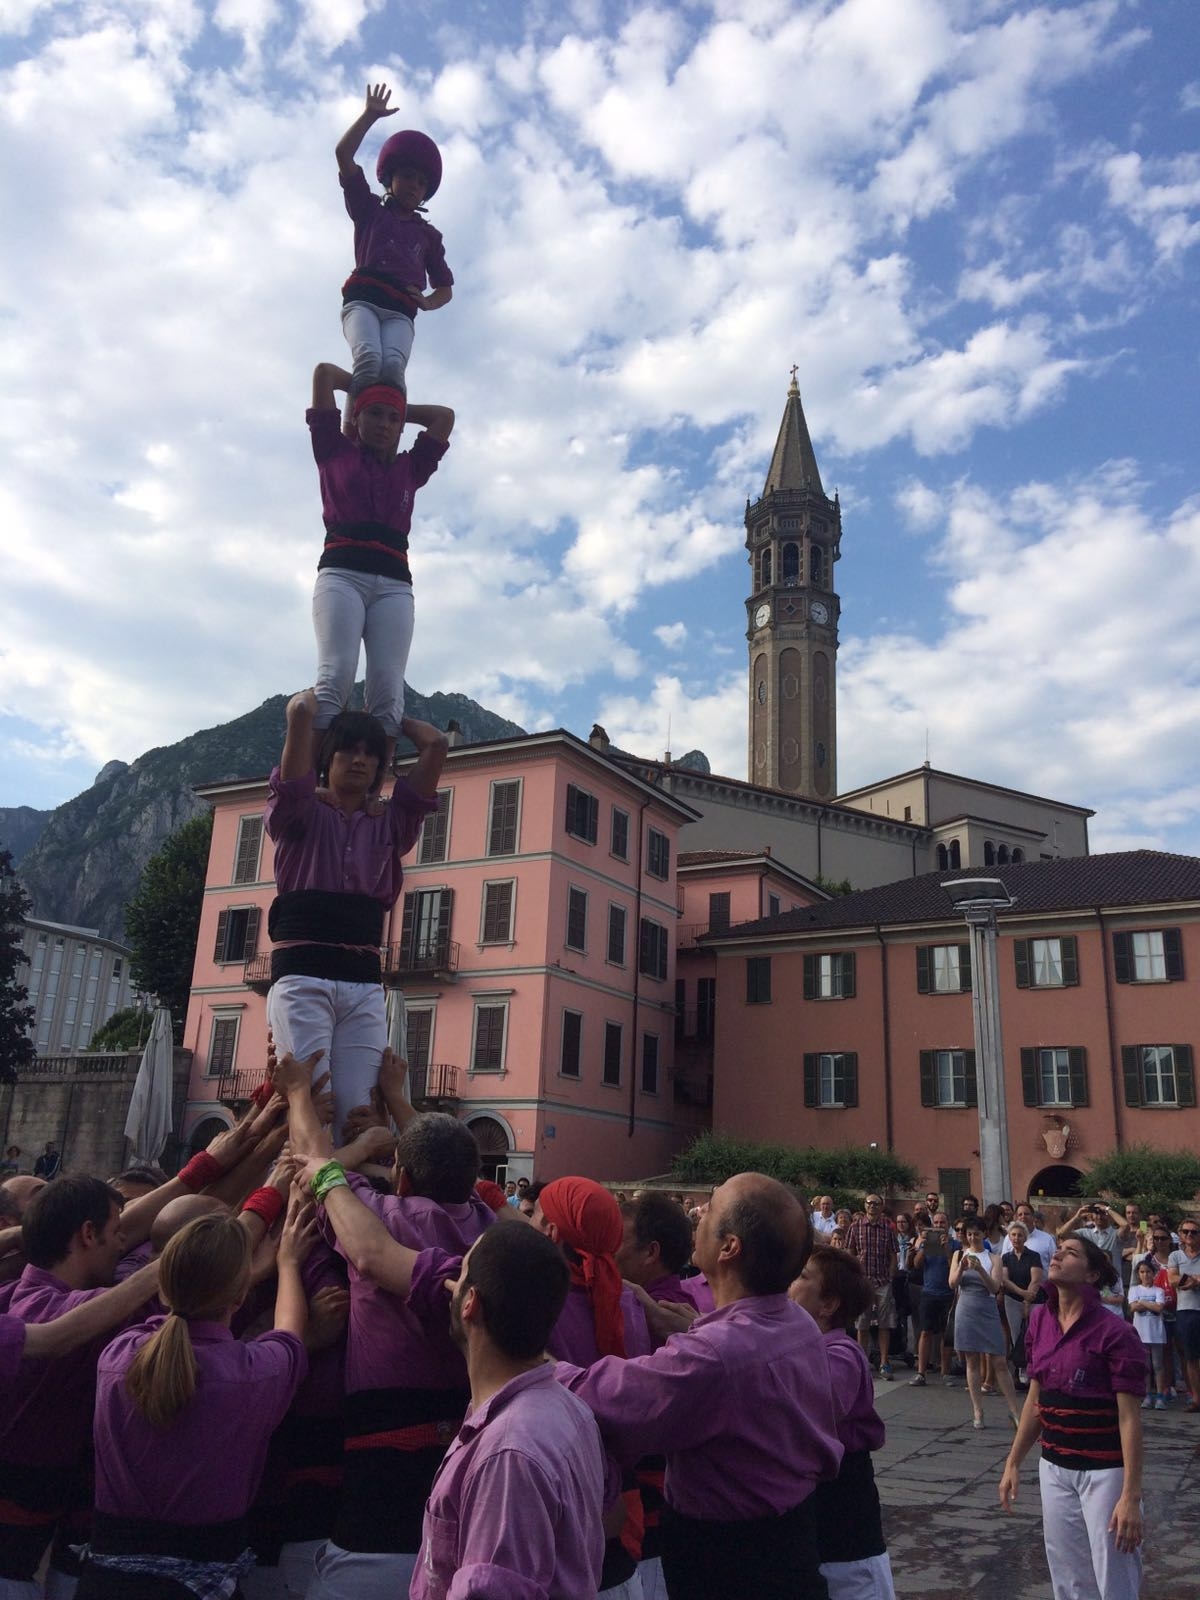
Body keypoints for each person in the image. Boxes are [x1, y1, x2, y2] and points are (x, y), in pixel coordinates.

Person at [559, 1175, 843, 1600]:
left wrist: (534, 1364)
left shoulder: (715, 1356)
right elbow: (741, 1357)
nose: (699, 1215)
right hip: (790, 1545)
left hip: (732, 1569)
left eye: (709, 1208)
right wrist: (693, 1328)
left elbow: (607, 1397)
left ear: (729, 1247)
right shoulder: (795, 1322)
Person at [276, 1052, 496, 1600]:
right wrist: (396, 1106)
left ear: (400, 1175)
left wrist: (300, 1092)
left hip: (376, 1507)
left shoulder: (380, 1217)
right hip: (467, 1494)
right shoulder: (495, 1234)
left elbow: (311, 1164)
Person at [76, 1205, 312, 1600]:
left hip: (105, 1583)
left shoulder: (115, 1357)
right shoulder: (256, 1372)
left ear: (163, 1286)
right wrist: (288, 1262)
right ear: (240, 1294)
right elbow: (290, 1330)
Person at [264, 690, 445, 1139]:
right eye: (348, 749)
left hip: (364, 981)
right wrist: (317, 707)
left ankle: (347, 1198)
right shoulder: (299, 811)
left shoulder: (390, 823)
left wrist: (388, 720)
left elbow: (436, 746)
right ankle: (293, 1200)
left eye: (370, 753)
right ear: (328, 757)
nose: (360, 760)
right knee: (309, 1103)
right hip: (304, 974)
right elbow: (301, 715)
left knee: (356, 1113)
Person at [411, 1223, 606, 1599]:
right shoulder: (569, 1411)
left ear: (471, 1303)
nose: (452, 1284)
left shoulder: (508, 1453)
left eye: (462, 1274)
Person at [304, 358, 454, 771]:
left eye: (393, 418)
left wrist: (396, 401)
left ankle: (374, 786)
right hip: (342, 574)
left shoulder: (410, 467)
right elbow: (324, 375)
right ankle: (320, 774)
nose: (385, 424)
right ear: (356, 415)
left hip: (393, 583)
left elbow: (444, 417)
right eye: (374, 413)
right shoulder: (332, 449)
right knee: (336, 674)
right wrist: (367, 385)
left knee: (388, 687)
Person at [1000, 1234, 1148, 1600]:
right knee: (1066, 1572)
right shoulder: (1039, 1320)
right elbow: (1037, 1397)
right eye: (1058, 1249)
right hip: (1054, 1465)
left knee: (1114, 1571)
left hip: (1105, 1471)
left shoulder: (1117, 1333)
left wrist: (1130, 1495)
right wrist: (1013, 1461)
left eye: (1071, 1252)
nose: (1058, 1255)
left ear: (1092, 1274)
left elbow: (1129, 1419)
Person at [335, 83, 453, 416]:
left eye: (421, 182)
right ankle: (351, 433)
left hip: (402, 310)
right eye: (407, 176)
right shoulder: (370, 210)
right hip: (365, 300)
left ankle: (385, 442)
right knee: (369, 359)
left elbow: (445, 287)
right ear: (390, 178)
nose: (414, 186)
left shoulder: (428, 236)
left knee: (392, 370)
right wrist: (369, 116)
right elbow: (344, 155)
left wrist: (428, 302)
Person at [790, 1247, 896, 1599]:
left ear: (829, 1304)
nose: (790, 1282)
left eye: (802, 1276)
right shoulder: (799, 1348)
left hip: (848, 1543)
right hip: (817, 1534)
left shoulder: (842, 1352)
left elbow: (816, 1405)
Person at [950, 1218, 1022, 1428]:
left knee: (999, 1361)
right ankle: (977, 1410)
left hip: (987, 1308)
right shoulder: (958, 1254)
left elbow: (995, 1287)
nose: (972, 1237)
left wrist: (980, 1269)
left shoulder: (994, 1258)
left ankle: (1014, 1410)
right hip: (966, 1308)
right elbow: (952, 1283)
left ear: (984, 1234)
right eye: (969, 1234)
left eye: (976, 1234)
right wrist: (962, 1268)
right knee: (972, 1361)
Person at [845, 1194, 898, 1379]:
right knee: (862, 1324)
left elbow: (893, 1254)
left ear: (881, 1207)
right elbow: (850, 1251)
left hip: (882, 1281)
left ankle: (884, 1362)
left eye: (876, 1203)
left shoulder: (888, 1229)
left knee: (885, 1323)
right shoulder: (855, 1227)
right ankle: (863, 1361)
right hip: (863, 1280)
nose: (872, 1206)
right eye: (869, 1203)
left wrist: (891, 1275)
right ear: (865, 1205)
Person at [999, 1220, 1044, 1385]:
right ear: (1009, 1237)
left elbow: (1036, 1279)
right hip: (1012, 1300)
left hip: (1034, 1300)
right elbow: (1004, 1279)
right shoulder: (1006, 1257)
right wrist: (1021, 1293)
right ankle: (1020, 1368)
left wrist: (1027, 1299)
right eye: (1013, 1235)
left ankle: (1035, 1367)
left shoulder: (1033, 1256)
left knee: (1033, 1334)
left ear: (1025, 1237)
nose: (1016, 1238)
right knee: (1016, 1334)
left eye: (1020, 1235)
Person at [1166, 1216, 1200, 1410]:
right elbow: (1172, 1279)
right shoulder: (1176, 1256)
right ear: (1180, 1235)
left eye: (1194, 1232)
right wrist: (1193, 1281)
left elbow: (1180, 1279)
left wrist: (1194, 1281)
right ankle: (1196, 1398)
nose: (1189, 1235)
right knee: (1190, 1356)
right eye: (1186, 1232)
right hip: (1186, 1311)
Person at [1128, 1259, 1168, 1411]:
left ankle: (1160, 1396)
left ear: (1154, 1273)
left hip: (1156, 1332)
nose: (1145, 1275)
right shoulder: (1134, 1290)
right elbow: (1133, 1307)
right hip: (1140, 1332)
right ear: (1138, 1274)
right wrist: (1146, 1304)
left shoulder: (1159, 1291)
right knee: (1145, 1366)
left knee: (1158, 1365)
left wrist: (1142, 1302)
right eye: (1142, 1272)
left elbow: (1159, 1308)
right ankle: (1146, 1395)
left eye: (1148, 1272)